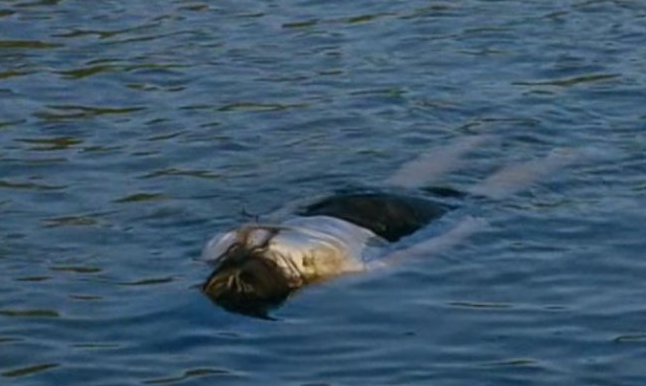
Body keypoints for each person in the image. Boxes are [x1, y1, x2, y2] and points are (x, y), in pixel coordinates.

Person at [200, 136, 575, 318]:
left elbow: (410, 254)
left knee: (482, 195)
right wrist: (301, 207)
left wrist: (465, 229)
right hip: (337, 204)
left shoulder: (330, 272)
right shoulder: (226, 248)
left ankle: (561, 156)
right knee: (403, 180)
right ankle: (475, 138)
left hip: (389, 221)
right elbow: (264, 218)